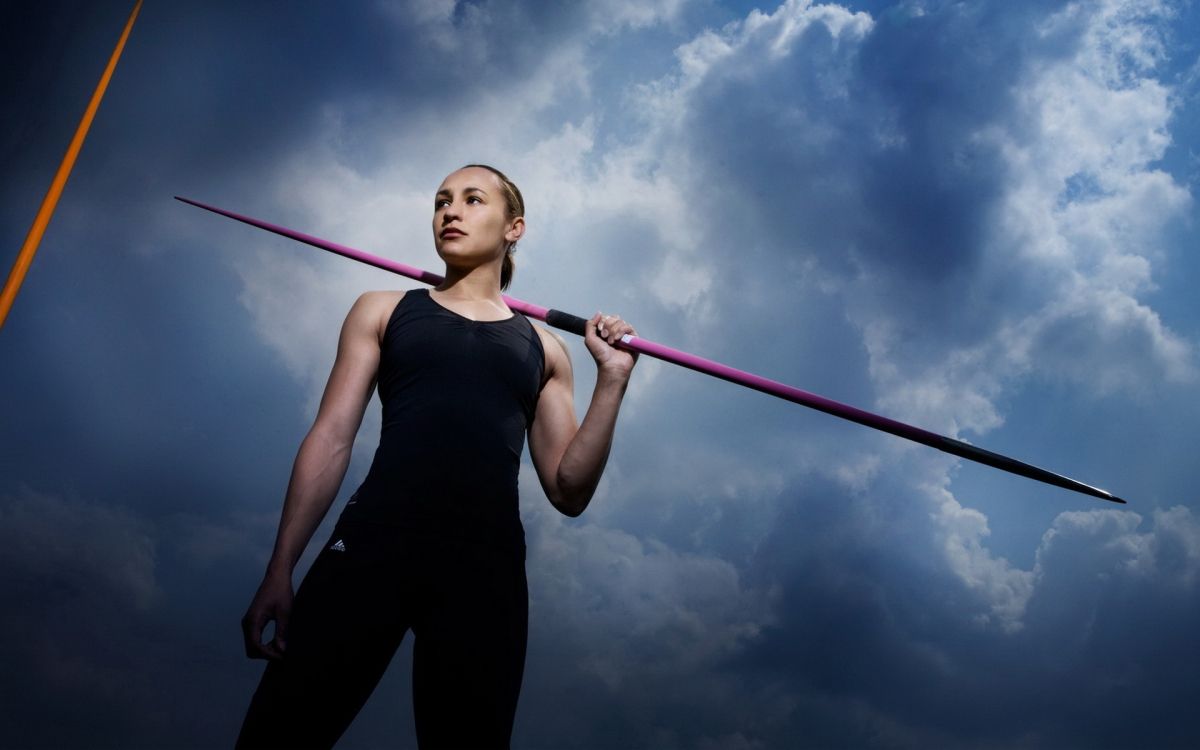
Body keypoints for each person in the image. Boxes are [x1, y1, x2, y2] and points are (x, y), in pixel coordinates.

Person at [235, 164, 638, 749]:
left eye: (473, 200)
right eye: (442, 201)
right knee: (278, 735)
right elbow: (330, 439)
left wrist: (613, 380)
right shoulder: (382, 309)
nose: (451, 211)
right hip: (372, 545)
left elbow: (569, 489)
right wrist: (281, 567)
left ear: (513, 227)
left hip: (484, 570)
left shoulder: (546, 349)